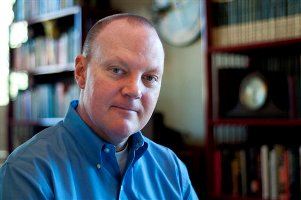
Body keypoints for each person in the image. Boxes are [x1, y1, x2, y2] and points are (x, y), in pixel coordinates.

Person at [0, 13, 198, 199]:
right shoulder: (27, 171)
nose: (135, 90)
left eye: (150, 78)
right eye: (117, 70)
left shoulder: (171, 169)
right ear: (81, 72)